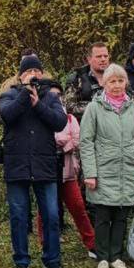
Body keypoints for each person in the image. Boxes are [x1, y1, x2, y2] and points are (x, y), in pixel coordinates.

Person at [0, 55, 69, 268]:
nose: (34, 75)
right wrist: (24, 94)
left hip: (44, 164)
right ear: (20, 76)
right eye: (29, 72)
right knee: (19, 215)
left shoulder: (51, 96)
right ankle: (21, 261)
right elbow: (7, 116)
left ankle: (52, 259)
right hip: (17, 163)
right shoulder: (9, 94)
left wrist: (38, 104)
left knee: (51, 214)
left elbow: (60, 122)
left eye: (37, 71)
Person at [79, 64, 134, 268]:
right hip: (103, 170)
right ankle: (102, 257)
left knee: (120, 217)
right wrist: (90, 173)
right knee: (102, 216)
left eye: (120, 81)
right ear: (104, 83)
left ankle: (116, 257)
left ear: (125, 83)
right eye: (112, 81)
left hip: (128, 170)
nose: (117, 85)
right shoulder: (94, 108)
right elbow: (86, 141)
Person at [38, 97, 96, 257]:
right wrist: (64, 142)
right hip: (47, 172)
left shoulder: (70, 119)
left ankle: (92, 243)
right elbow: (47, 141)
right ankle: (46, 242)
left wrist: (62, 148)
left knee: (78, 207)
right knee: (46, 210)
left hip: (68, 172)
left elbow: (77, 140)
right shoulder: (41, 117)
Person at [64, 42, 111, 117]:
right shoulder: (77, 79)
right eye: (99, 56)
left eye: (106, 56)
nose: (103, 59)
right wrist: (98, 108)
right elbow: (69, 107)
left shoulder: (117, 76)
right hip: (87, 125)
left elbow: (132, 101)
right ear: (89, 59)